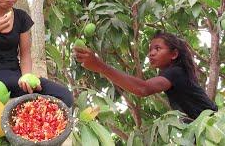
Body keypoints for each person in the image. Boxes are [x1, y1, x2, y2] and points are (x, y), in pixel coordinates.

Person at [73, 30, 217, 120]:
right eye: (150, 49)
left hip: (214, 126)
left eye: (157, 48)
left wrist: (100, 66)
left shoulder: (176, 72)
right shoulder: (172, 75)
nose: (151, 53)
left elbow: (143, 89)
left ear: (174, 54)